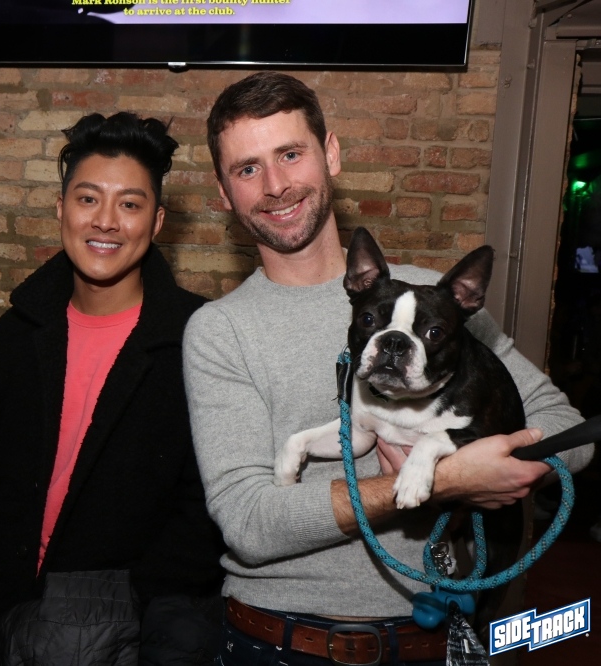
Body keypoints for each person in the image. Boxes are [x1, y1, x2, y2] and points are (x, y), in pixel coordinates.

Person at [182, 71, 595, 666]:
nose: (275, 185)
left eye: (290, 154)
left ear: (330, 154)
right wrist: (446, 482)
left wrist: (494, 466)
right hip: (278, 641)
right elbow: (248, 523)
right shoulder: (219, 330)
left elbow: (570, 434)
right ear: (223, 192)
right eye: (247, 169)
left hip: (432, 636)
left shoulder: (436, 302)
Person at [0, 112, 225, 664]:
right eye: (88, 199)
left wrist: (122, 607)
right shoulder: (14, 335)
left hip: (135, 633)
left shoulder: (200, 338)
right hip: (9, 618)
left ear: (157, 222)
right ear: (60, 209)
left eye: (129, 204)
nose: (106, 221)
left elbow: (207, 510)